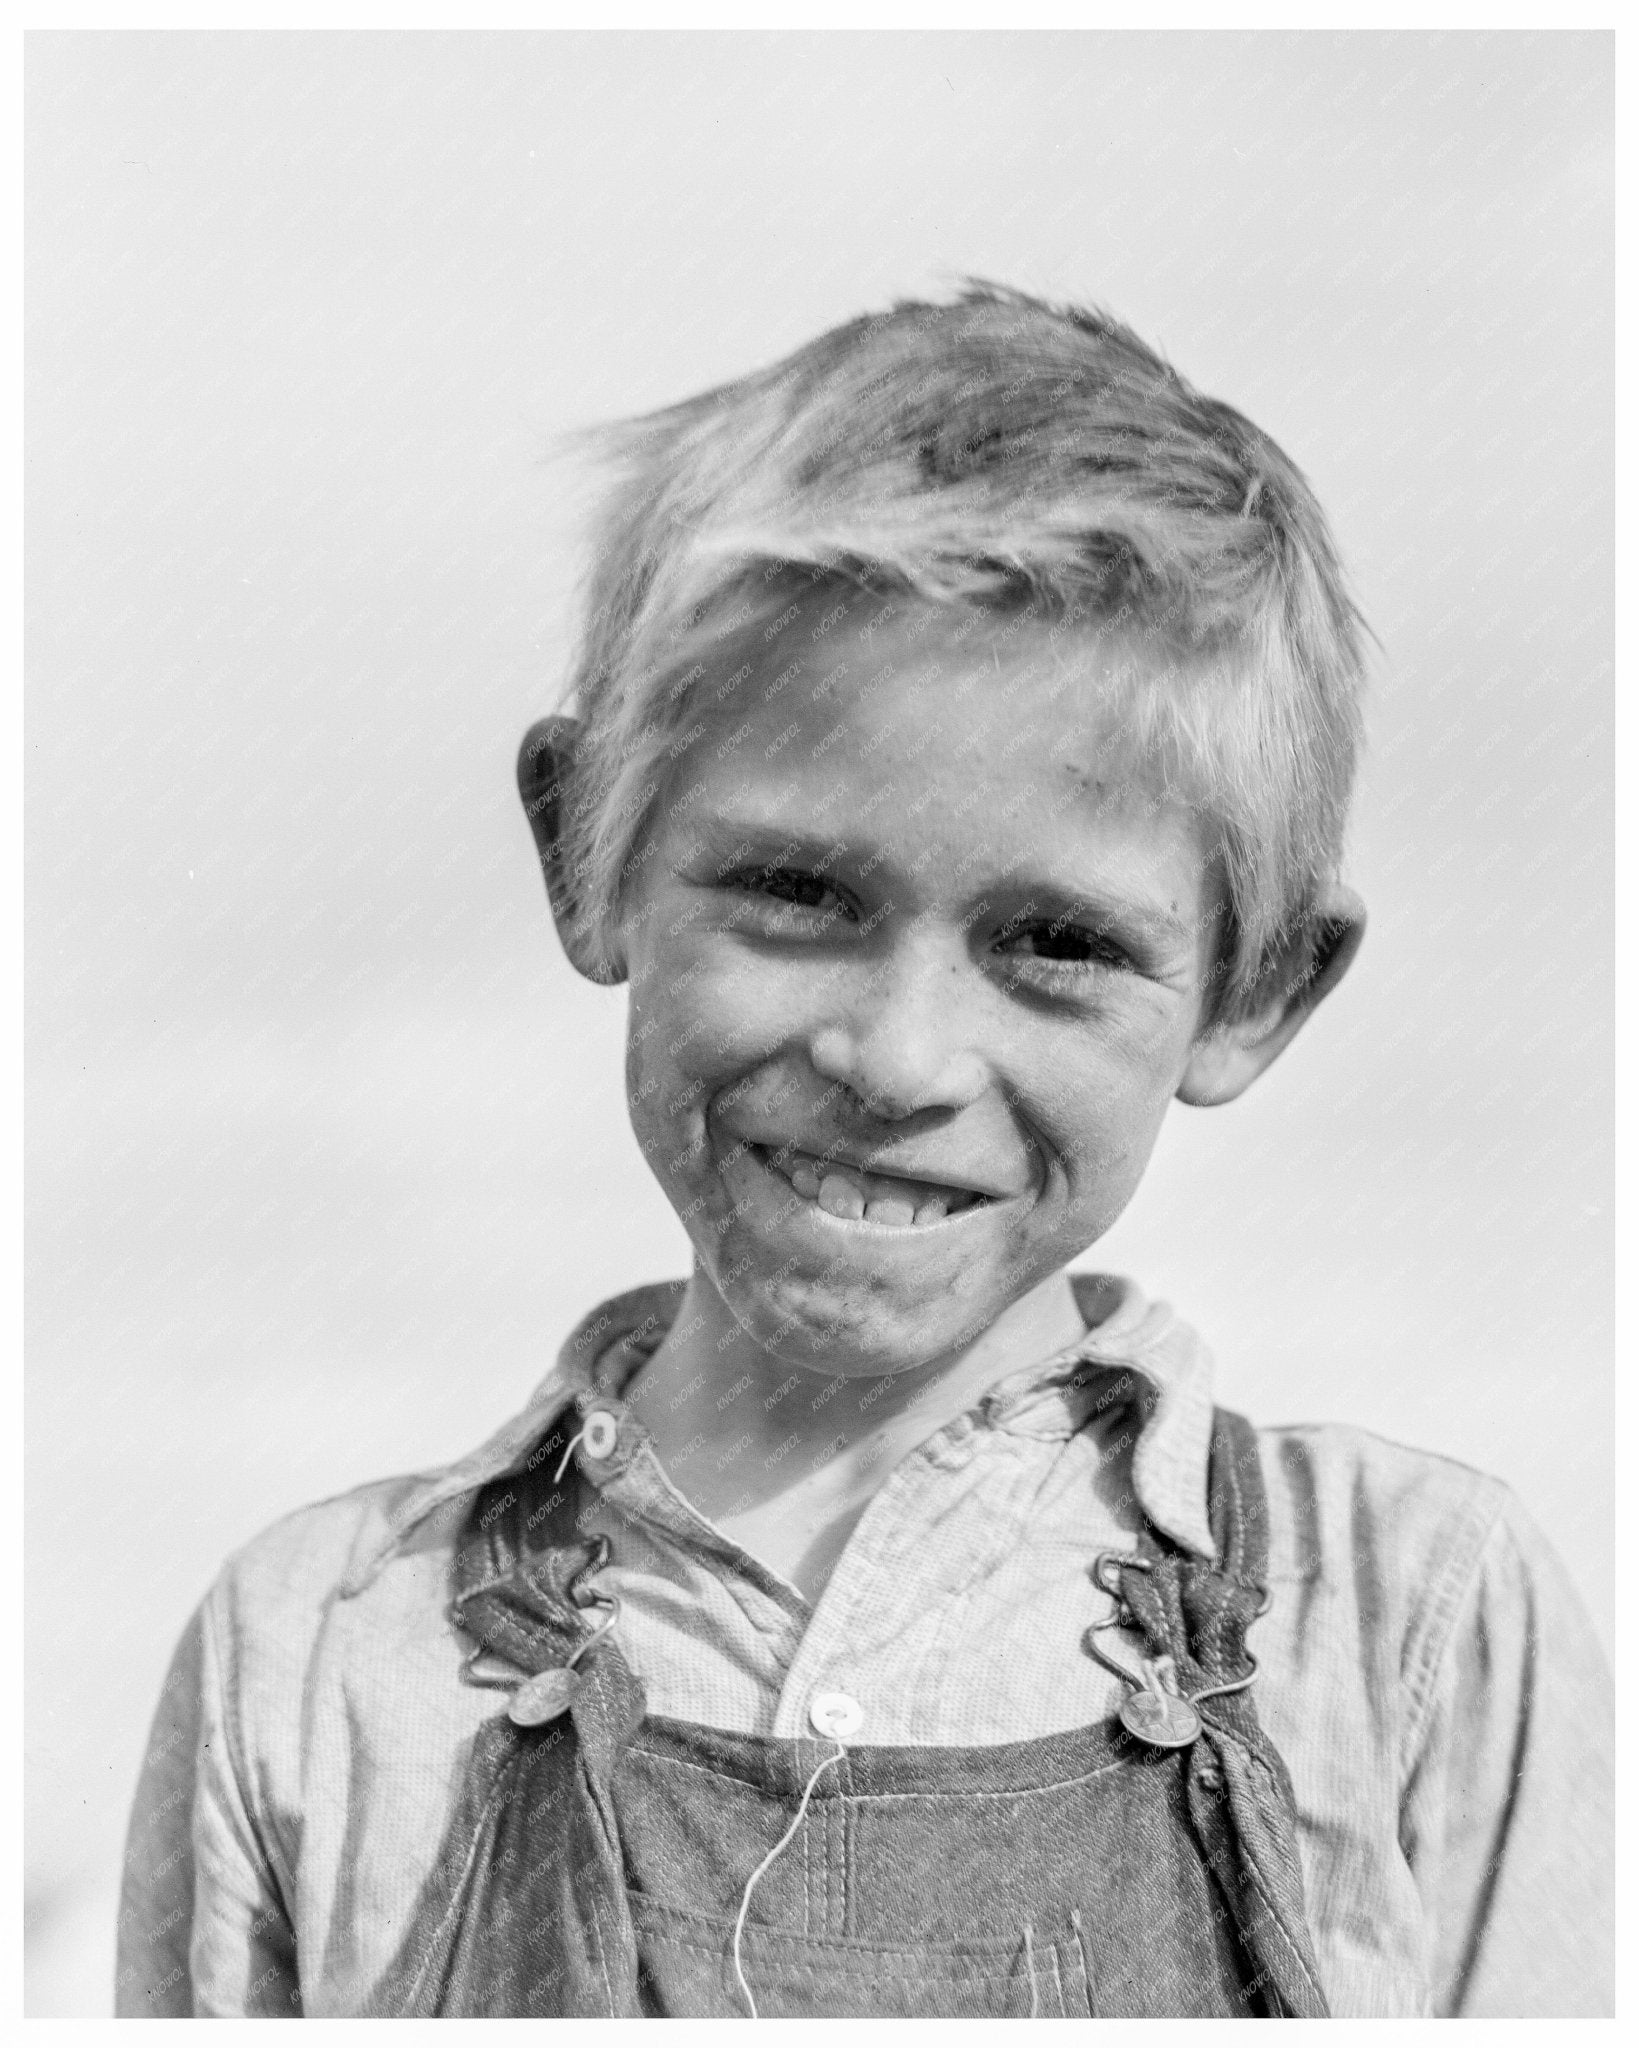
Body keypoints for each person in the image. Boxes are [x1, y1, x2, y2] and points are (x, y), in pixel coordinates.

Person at [116, 285, 1613, 2018]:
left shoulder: (1411, 1622)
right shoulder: (318, 1657)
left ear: (1255, 990)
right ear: (583, 848)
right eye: (795, 894)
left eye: (1055, 942)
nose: (898, 1059)